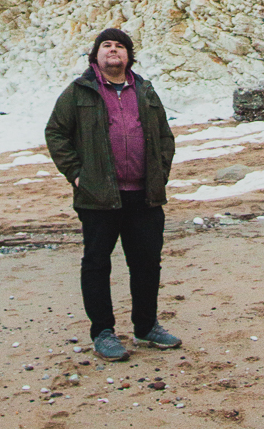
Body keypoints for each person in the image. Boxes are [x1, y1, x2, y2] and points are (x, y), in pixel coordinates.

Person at [45, 27, 181, 362]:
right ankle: (103, 332)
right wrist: (77, 176)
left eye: (120, 46)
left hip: (144, 196)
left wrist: (159, 173)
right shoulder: (79, 92)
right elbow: (56, 133)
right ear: (96, 56)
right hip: (98, 197)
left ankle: (146, 326)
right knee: (96, 264)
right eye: (106, 45)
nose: (113, 50)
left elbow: (164, 135)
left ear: (128, 56)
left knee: (147, 263)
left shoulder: (145, 90)